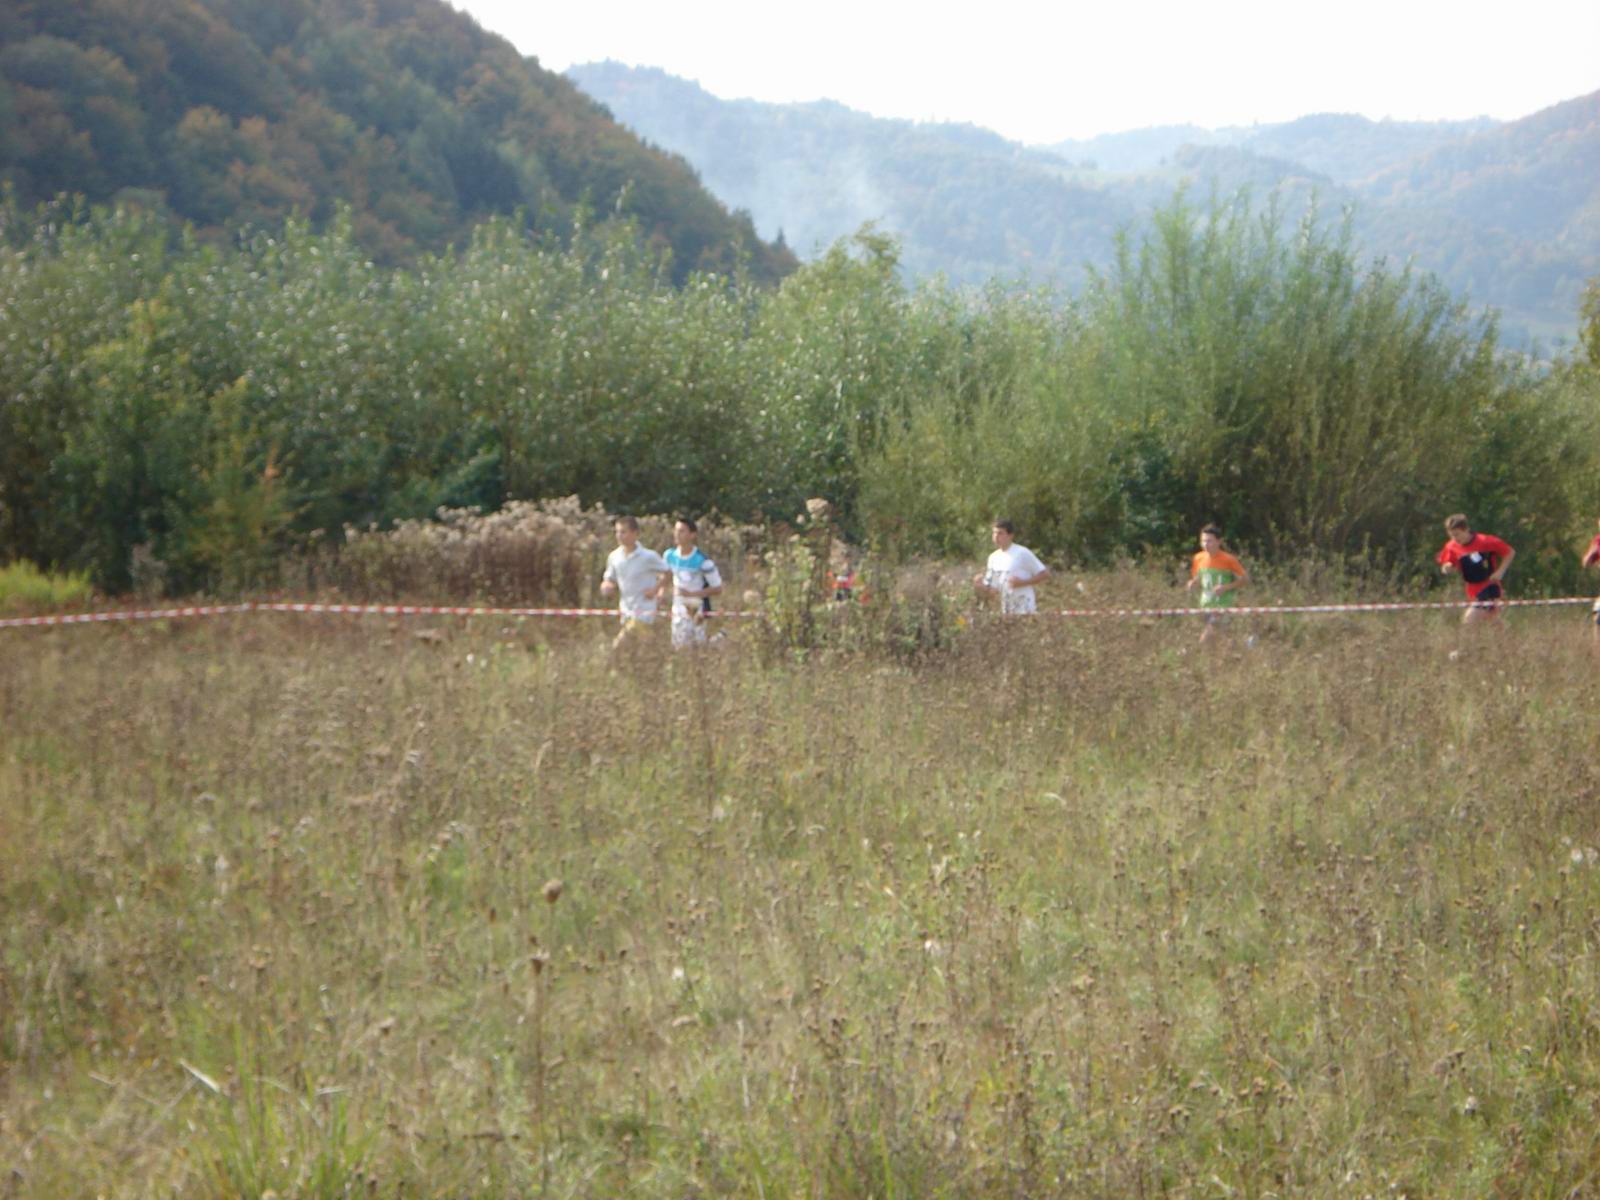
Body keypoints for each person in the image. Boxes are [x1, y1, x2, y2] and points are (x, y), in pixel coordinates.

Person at [599, 516, 670, 650]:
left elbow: (667, 572)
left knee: (619, 646)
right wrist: (607, 586)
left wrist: (655, 590)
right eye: (617, 532)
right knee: (640, 649)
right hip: (625, 609)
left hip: (644, 610)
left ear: (635, 533)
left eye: (623, 532)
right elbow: (609, 578)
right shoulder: (614, 557)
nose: (619, 536)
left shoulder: (648, 556)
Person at [1436, 514, 1514, 625]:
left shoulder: (1485, 541)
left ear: (1466, 529)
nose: (1455, 538)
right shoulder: (1451, 546)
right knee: (1491, 621)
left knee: (1469, 619)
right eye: (1452, 535)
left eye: (1457, 534)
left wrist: (1500, 571)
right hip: (1472, 590)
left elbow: (1509, 552)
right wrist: (1447, 568)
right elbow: (1448, 564)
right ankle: (1508, 634)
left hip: (1490, 587)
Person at [662, 517, 723, 648]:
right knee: (679, 647)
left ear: (692, 535)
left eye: (682, 531)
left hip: (697, 609)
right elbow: (665, 576)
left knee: (698, 647)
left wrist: (692, 594)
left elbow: (717, 588)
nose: (677, 534)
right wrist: (661, 591)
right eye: (676, 530)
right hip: (677, 610)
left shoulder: (702, 560)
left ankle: (718, 640)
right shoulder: (669, 556)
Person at [1187, 524, 1249, 644]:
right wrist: (1193, 583)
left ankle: (1200, 651)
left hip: (1223, 604)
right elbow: (1198, 578)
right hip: (1205, 604)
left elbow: (1245, 579)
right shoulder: (1198, 558)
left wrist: (1226, 587)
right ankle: (1240, 646)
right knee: (1220, 639)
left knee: (1206, 638)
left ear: (1218, 541)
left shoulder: (1228, 559)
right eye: (1203, 541)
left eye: (1209, 541)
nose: (1206, 544)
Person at [973, 519, 1049, 615]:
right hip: (1007, 611)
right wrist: (981, 586)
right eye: (994, 533)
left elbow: (1045, 574)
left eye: (1000, 533)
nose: (996, 536)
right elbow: (994, 591)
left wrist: (1022, 583)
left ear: (1010, 535)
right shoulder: (993, 558)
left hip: (1025, 610)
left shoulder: (1022, 552)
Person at [1580, 518, 1600, 641]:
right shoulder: (1598, 541)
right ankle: (1597, 648)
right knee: (1598, 616)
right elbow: (1586, 563)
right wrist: (1591, 553)